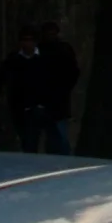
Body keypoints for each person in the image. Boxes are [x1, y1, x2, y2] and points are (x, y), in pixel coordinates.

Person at [0, 26, 51, 153]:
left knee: (33, 137)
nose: (27, 43)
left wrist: (44, 103)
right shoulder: (14, 59)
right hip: (18, 105)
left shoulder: (43, 59)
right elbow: (0, 76)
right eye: (24, 40)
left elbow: (51, 81)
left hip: (37, 106)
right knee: (23, 136)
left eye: (30, 40)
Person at [38, 21, 80, 156]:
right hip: (47, 100)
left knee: (59, 136)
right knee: (52, 136)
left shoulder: (63, 50)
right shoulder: (40, 51)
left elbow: (73, 72)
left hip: (58, 100)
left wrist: (64, 89)